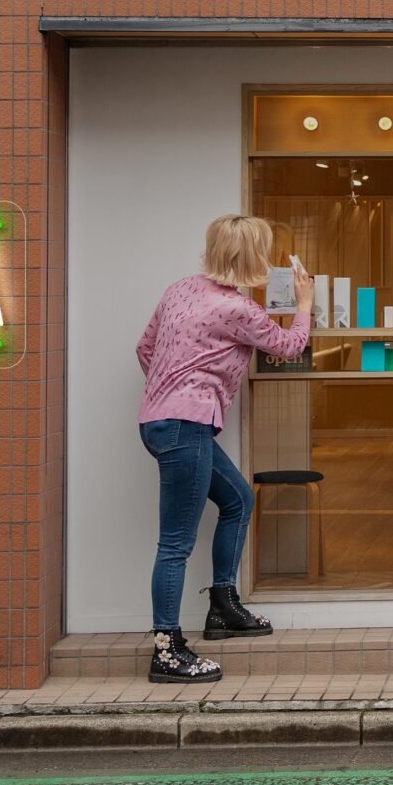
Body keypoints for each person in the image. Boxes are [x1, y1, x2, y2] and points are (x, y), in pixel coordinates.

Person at [136, 215, 314, 683]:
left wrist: (171, 388)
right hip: (185, 426)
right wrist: (305, 302)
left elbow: (145, 348)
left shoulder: (180, 290)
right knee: (175, 543)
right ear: (252, 257)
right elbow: (291, 345)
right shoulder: (238, 310)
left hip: (161, 420)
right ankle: (167, 649)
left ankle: (223, 605)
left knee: (238, 500)